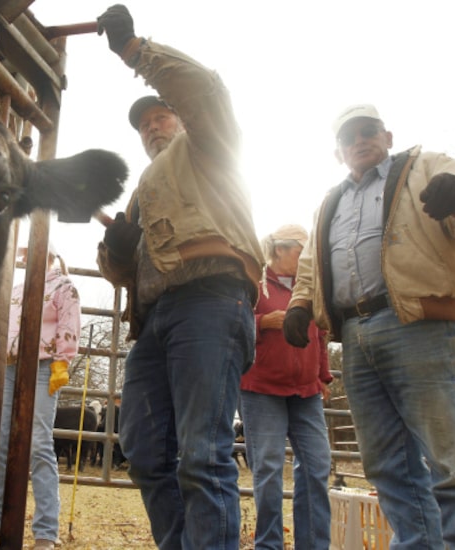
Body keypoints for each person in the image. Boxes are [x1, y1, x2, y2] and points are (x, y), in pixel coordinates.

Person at [283, 104, 455, 549]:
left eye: (368, 131)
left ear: (387, 137)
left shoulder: (426, 167)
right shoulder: (329, 201)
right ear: (339, 152)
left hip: (419, 324)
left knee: (451, 460)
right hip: (354, 337)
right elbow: (312, 262)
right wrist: (300, 304)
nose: (360, 141)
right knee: (387, 465)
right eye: (350, 138)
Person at [94, 5, 264, 548]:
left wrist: (136, 51)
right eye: (144, 125)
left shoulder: (210, 145)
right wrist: (117, 250)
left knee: (203, 453)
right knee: (142, 450)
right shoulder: (145, 187)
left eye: (159, 116)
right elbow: (129, 272)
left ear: (182, 116)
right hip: (156, 320)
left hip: (211, 300)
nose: (150, 127)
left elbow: (205, 89)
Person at [239, 224, 332, 550]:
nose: (308, 258)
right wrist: (262, 322)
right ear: (279, 249)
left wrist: (323, 376)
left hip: (306, 391)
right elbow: (234, 321)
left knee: (318, 465)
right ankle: (269, 544)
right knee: (268, 468)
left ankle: (314, 545)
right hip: (261, 387)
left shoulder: (311, 287)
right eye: (301, 251)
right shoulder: (253, 281)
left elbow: (320, 333)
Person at [0, 244, 81, 550]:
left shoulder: (64, 286)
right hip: (11, 366)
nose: (26, 259)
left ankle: (45, 530)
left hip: (44, 366)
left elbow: (69, 325)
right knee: (1, 437)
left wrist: (61, 362)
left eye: (32, 254)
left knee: (38, 442)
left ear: (50, 256)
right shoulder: (17, 289)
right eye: (24, 255)